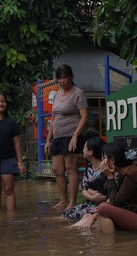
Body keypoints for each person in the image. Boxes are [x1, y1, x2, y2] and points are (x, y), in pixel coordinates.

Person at [44, 64, 88, 209]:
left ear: (71, 77)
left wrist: (75, 135)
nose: (63, 81)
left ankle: (72, 202)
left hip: (71, 135)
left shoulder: (78, 93)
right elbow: (53, 118)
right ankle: (63, 200)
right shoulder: (56, 95)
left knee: (71, 169)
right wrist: (48, 140)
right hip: (57, 137)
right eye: (60, 78)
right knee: (57, 170)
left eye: (65, 77)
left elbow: (84, 117)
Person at [94, 142, 137, 233]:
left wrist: (110, 177)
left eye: (104, 158)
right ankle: (101, 244)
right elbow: (116, 199)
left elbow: (115, 202)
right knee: (101, 210)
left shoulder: (131, 174)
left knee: (104, 208)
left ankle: (109, 246)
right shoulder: (127, 172)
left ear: (112, 161)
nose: (102, 161)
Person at [66, 136, 108, 229]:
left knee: (71, 218)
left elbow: (102, 196)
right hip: (88, 202)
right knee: (65, 214)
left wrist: (90, 191)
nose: (83, 149)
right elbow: (84, 189)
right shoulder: (89, 167)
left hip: (98, 206)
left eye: (85, 147)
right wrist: (92, 196)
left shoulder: (105, 169)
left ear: (91, 152)